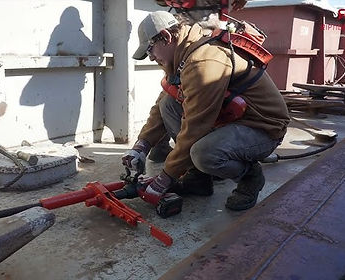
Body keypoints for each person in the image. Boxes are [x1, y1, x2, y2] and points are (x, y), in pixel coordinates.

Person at [122, 11, 289, 211]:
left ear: (166, 37)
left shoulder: (202, 62)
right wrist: (142, 145)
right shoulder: (183, 56)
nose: (151, 58)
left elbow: (196, 127)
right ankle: (198, 179)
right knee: (168, 105)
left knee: (203, 154)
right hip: (232, 121)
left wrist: (166, 176)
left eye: (150, 50)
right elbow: (162, 104)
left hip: (262, 126)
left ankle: (250, 177)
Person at [148, 0, 249, 163]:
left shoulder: (204, 59)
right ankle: (191, 158)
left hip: (197, 25)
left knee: (187, 93)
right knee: (173, 90)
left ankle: (199, 157)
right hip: (200, 24)